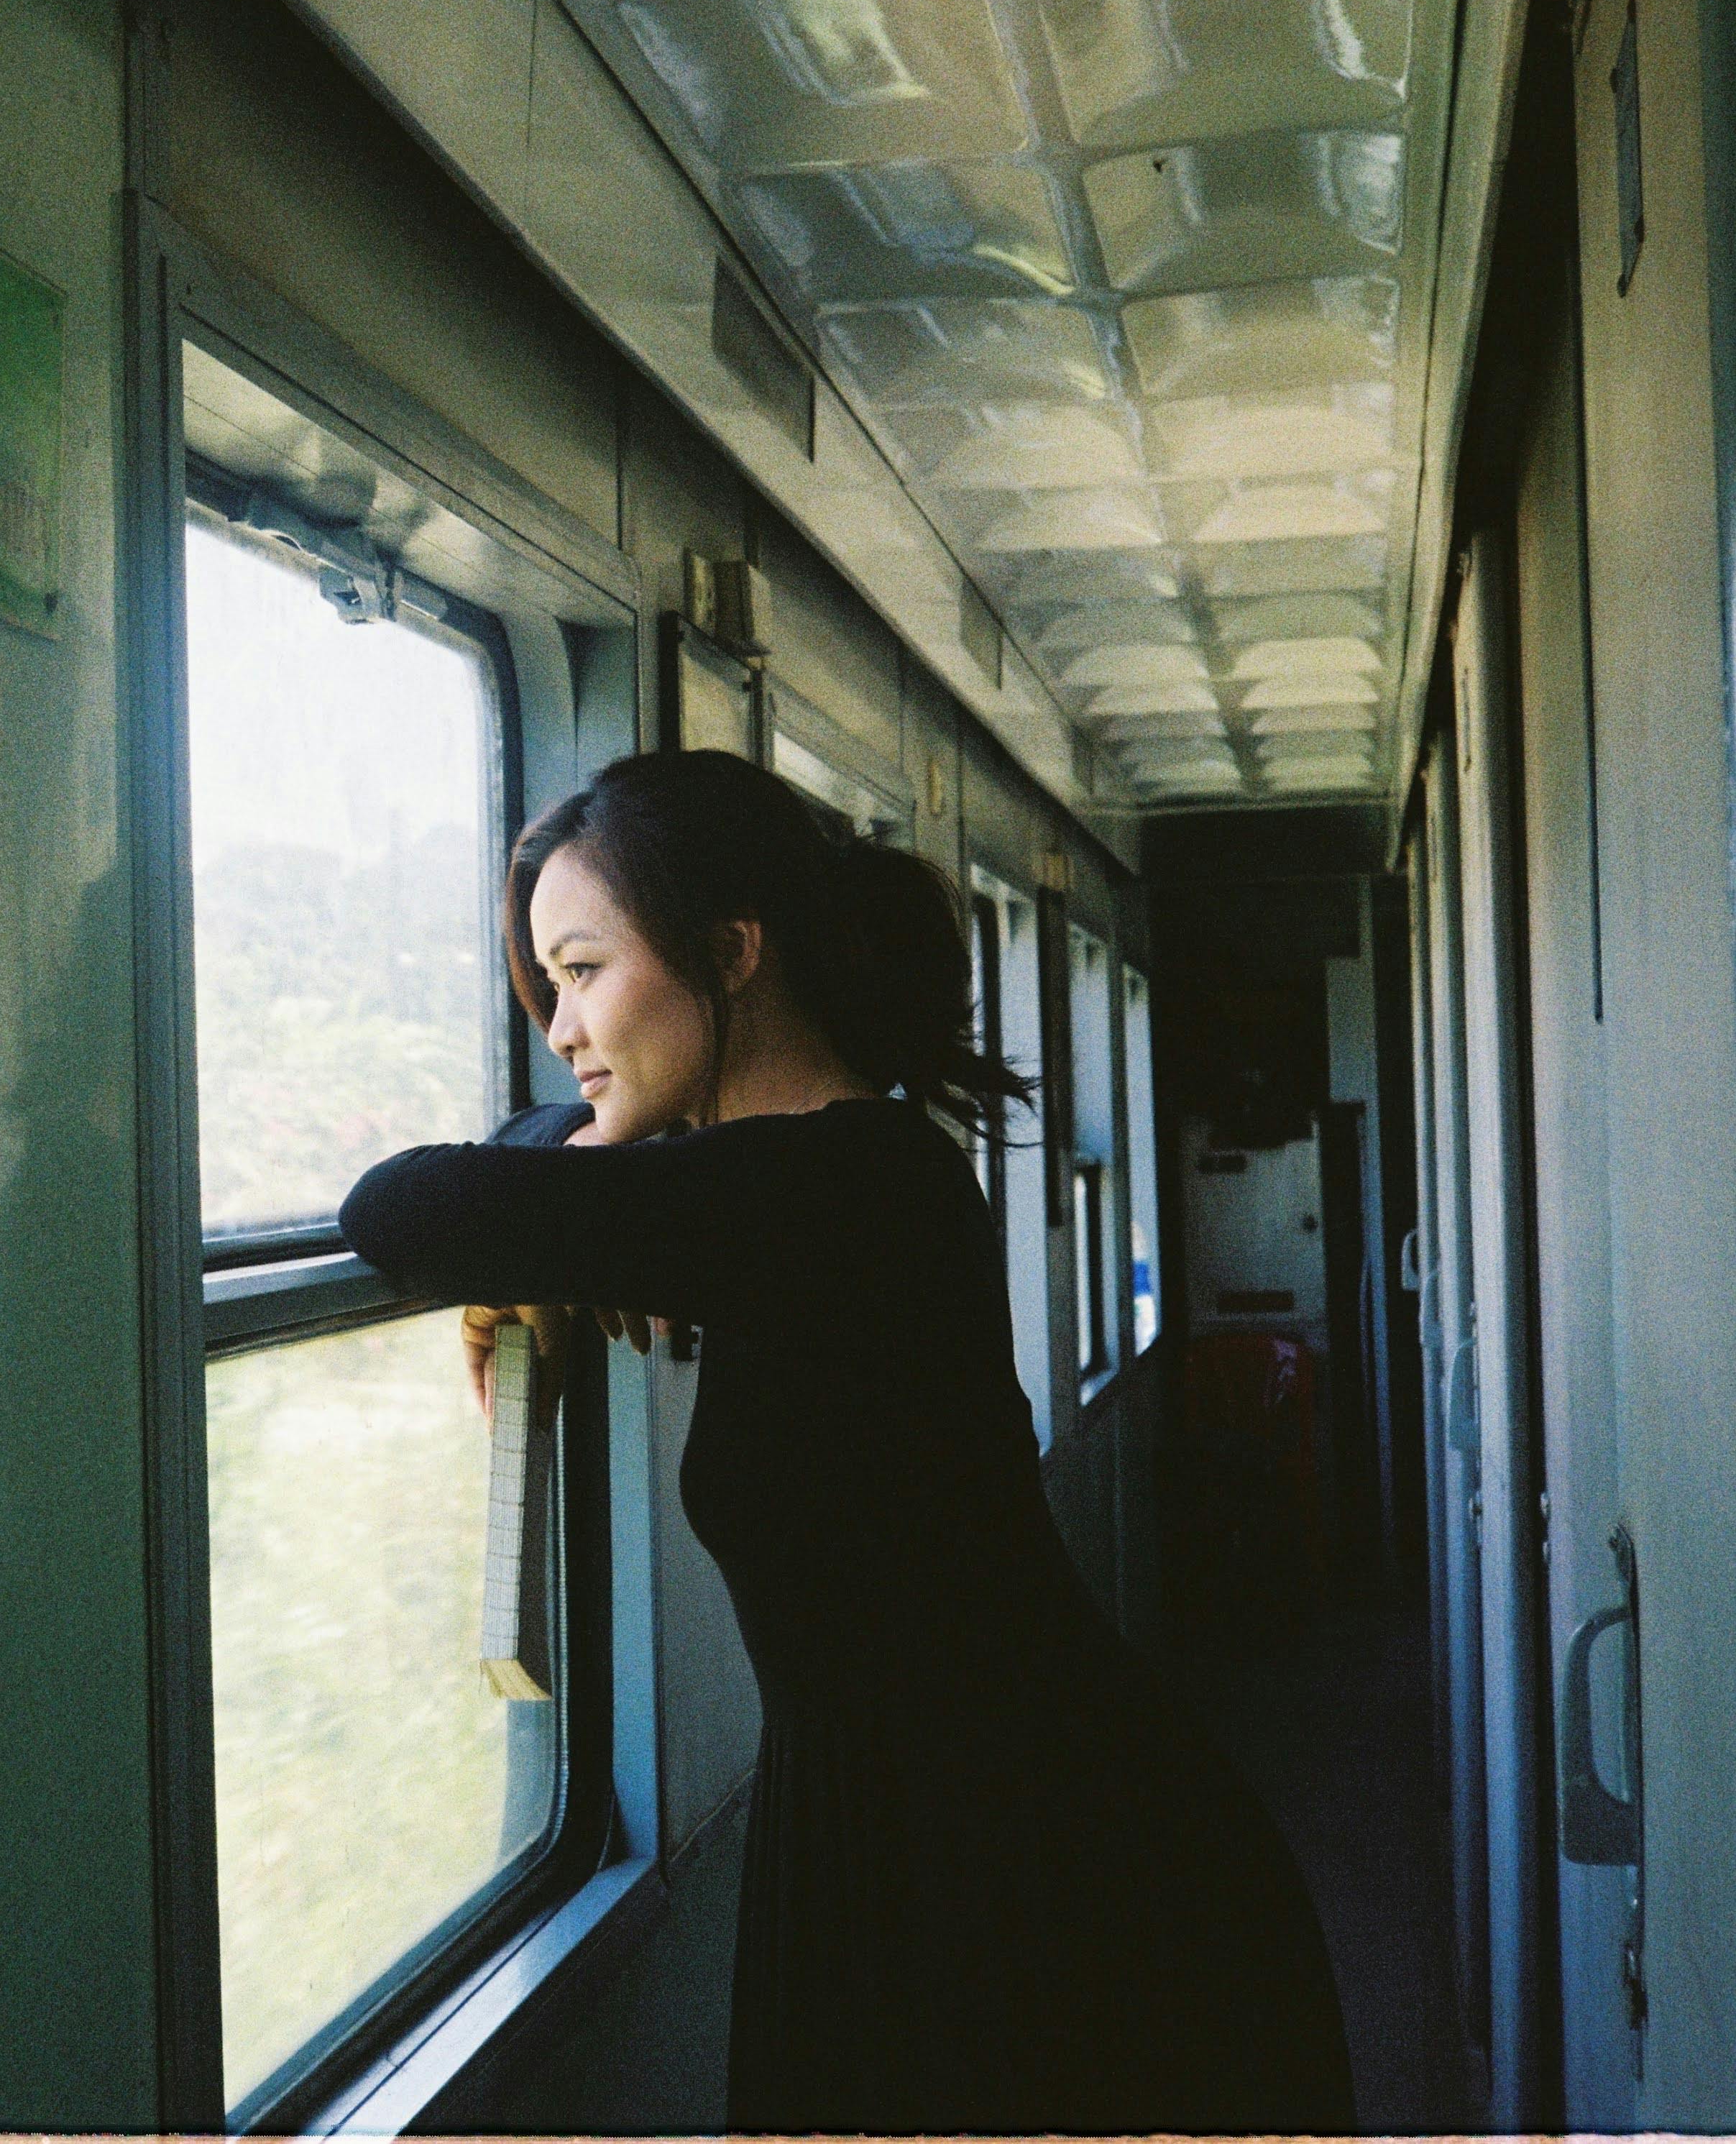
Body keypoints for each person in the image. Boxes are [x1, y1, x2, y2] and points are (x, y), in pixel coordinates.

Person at [339, 749, 1353, 2138]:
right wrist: (591, 1176)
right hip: (924, 1841)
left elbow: (399, 1209)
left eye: (580, 972)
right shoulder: (811, 1185)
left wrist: (573, 1181)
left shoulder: (845, 1184)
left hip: (1040, 1866)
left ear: (733, 951)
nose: (563, 1031)